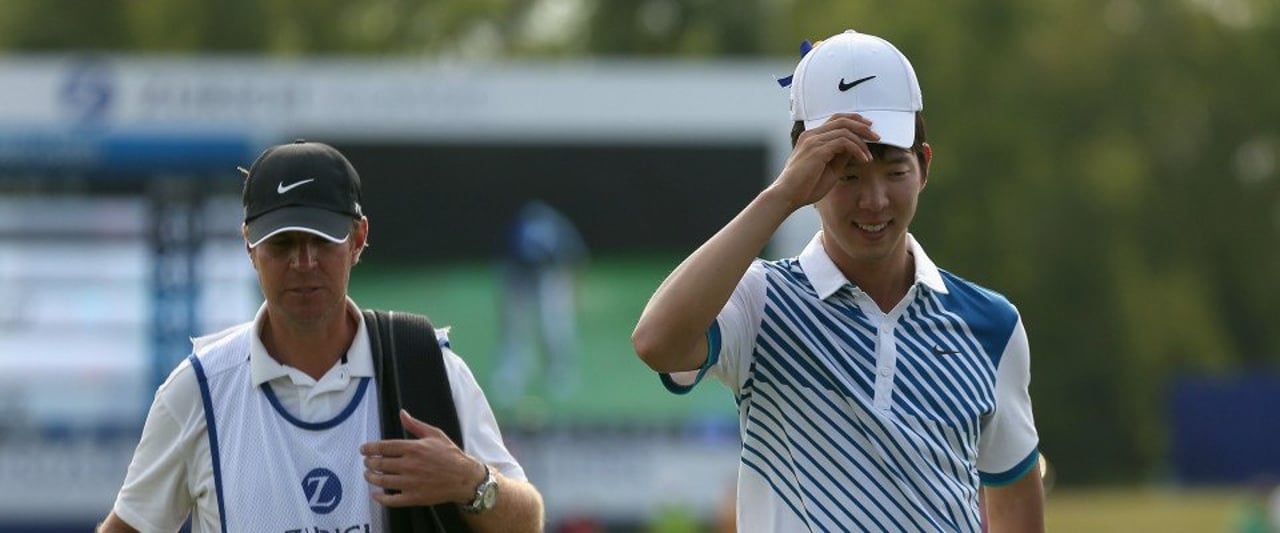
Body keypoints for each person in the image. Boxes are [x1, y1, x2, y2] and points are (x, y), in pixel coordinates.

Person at [631, 30, 1044, 532]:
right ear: (806, 170)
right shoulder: (760, 301)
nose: (874, 201)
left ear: (925, 166)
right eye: (846, 175)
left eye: (895, 171)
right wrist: (780, 197)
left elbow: (1015, 503)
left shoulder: (990, 324)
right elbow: (657, 342)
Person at [98, 141, 544, 532]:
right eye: (282, 244)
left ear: (358, 238)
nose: (304, 262)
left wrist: (471, 483)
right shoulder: (200, 389)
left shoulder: (427, 366)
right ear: (249, 247)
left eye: (322, 240)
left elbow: (527, 523)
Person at [491, 200, 587, 408]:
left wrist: (569, 288)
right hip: (520, 280)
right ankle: (513, 376)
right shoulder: (518, 230)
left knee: (554, 329)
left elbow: (572, 258)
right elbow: (507, 265)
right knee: (515, 333)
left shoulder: (557, 228)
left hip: (548, 279)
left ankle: (559, 373)